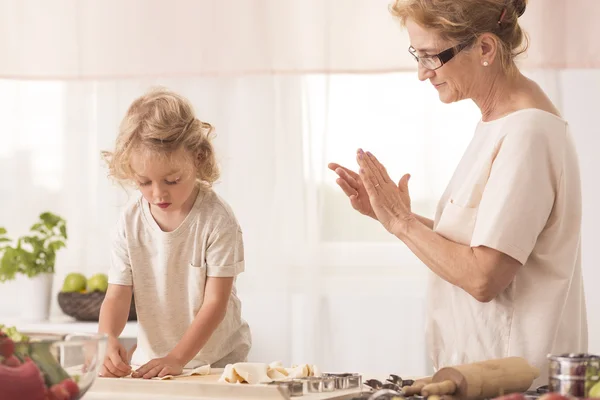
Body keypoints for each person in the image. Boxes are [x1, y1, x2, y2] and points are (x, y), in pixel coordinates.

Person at [329, 0, 587, 387]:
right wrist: (392, 214)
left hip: (516, 384)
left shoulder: (527, 134)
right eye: (418, 55)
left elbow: (484, 277)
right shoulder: (499, 122)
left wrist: (402, 223)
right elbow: (480, 242)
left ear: (485, 48)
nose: (422, 73)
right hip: (482, 378)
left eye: (433, 56)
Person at [98, 87, 251, 379]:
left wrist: (178, 357)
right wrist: (106, 339)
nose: (157, 193)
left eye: (172, 179)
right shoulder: (129, 222)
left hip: (219, 363)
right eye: (143, 182)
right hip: (156, 362)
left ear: (198, 158)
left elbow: (215, 303)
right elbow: (117, 295)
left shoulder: (217, 220)